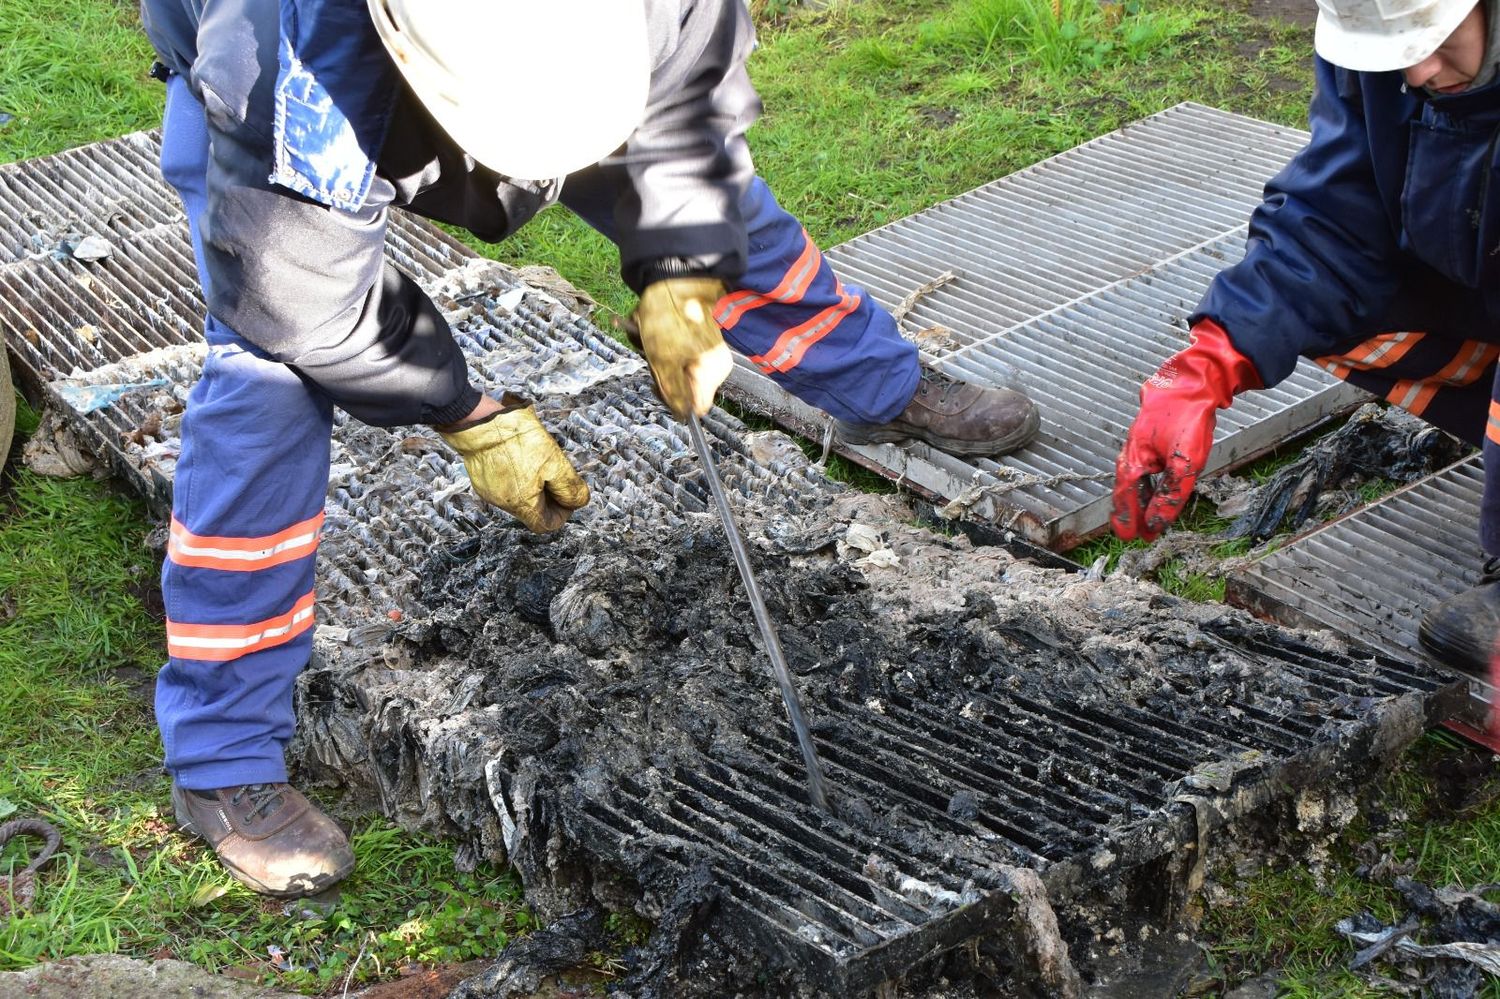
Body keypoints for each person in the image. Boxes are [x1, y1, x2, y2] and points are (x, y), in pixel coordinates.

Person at [136, 0, 1041, 897]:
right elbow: (302, 303)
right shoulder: (295, 68)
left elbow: (690, 103)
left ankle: (880, 385)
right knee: (266, 386)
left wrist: (682, 265)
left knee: (729, 220)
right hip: (319, 106)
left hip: (562, 79)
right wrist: (467, 410)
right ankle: (224, 755)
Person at [1111, 0, 1500, 676]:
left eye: (1436, 39)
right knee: (1327, 313)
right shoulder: (1385, 57)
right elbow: (1334, 214)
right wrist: (1211, 362)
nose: (1416, 69)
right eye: (1393, 49)